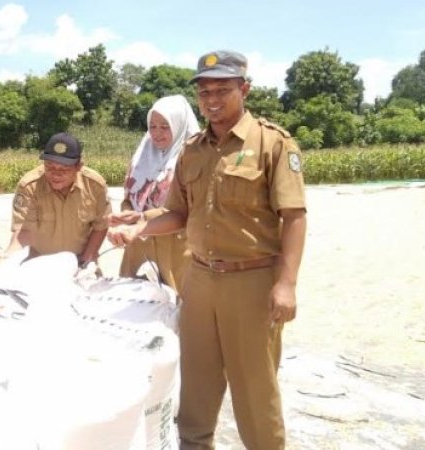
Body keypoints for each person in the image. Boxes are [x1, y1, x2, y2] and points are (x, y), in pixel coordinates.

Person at [107, 50, 307, 450]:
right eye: (204, 92)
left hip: (251, 282)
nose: (212, 99)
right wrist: (141, 224)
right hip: (198, 279)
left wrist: (286, 284)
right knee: (197, 382)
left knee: (254, 387)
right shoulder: (193, 149)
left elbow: (294, 216)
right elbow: (178, 213)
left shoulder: (273, 143)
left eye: (222, 90)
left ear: (244, 89)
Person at [110, 95, 200, 291]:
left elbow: (189, 210)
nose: (157, 134)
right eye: (152, 126)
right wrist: (126, 214)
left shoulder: (195, 158)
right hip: (137, 245)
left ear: (179, 126)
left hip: (175, 250)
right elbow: (129, 197)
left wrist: (142, 218)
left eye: (165, 127)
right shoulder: (142, 155)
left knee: (175, 302)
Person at [1, 132, 111, 267]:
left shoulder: (94, 186)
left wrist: (84, 262)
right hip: (39, 262)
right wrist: (9, 257)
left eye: (64, 169)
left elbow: (101, 226)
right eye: (49, 167)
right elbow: (24, 231)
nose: (56, 174)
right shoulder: (29, 186)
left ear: (79, 166)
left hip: (80, 260)